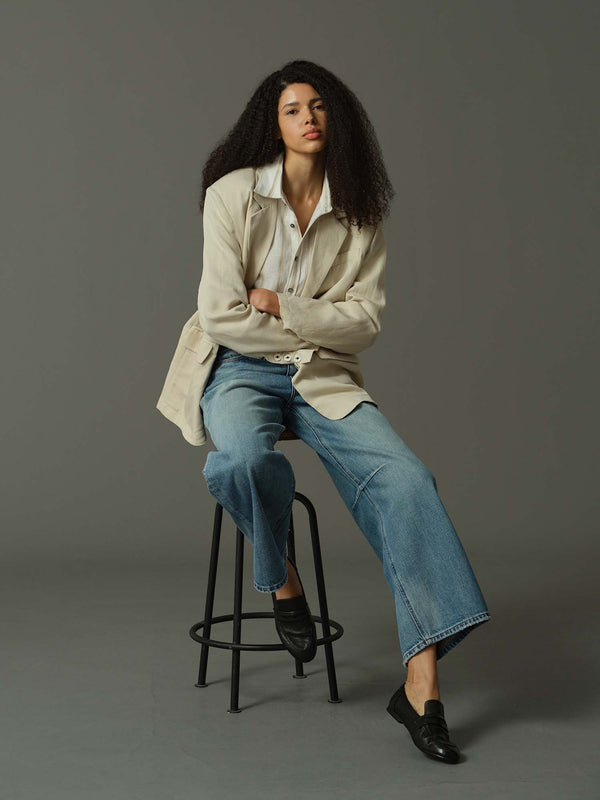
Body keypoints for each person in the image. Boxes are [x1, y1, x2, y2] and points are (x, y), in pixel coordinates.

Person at [157, 59, 491, 764]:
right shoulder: (232, 196)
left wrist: (283, 305)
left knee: (408, 481)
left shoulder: (360, 209)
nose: (308, 117)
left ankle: (421, 684)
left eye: (318, 106)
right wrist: (318, 319)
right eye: (291, 109)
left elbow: (365, 324)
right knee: (242, 459)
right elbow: (220, 317)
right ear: (271, 124)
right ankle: (281, 577)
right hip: (238, 371)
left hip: (323, 377)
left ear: (335, 118)